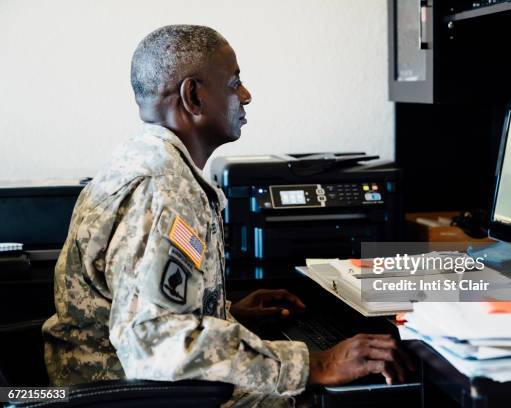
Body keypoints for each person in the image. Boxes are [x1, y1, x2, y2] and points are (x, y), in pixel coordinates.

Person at [42, 25, 410, 407]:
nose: (246, 96)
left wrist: (223, 313)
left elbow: (143, 307)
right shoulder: (165, 190)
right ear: (194, 97)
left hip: (119, 386)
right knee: (346, 397)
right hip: (134, 397)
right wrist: (315, 364)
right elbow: (155, 346)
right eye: (234, 84)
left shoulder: (140, 161)